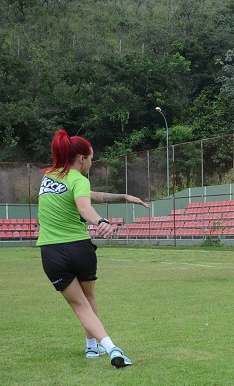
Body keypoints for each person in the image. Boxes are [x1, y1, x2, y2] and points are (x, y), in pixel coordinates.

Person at [37, 129, 150, 368]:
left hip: (51, 253)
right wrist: (100, 221)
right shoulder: (79, 179)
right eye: (91, 159)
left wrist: (124, 197)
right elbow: (84, 207)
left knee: (80, 305)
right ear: (81, 158)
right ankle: (102, 348)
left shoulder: (49, 178)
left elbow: (90, 197)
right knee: (88, 298)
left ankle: (99, 348)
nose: (91, 163)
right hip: (79, 248)